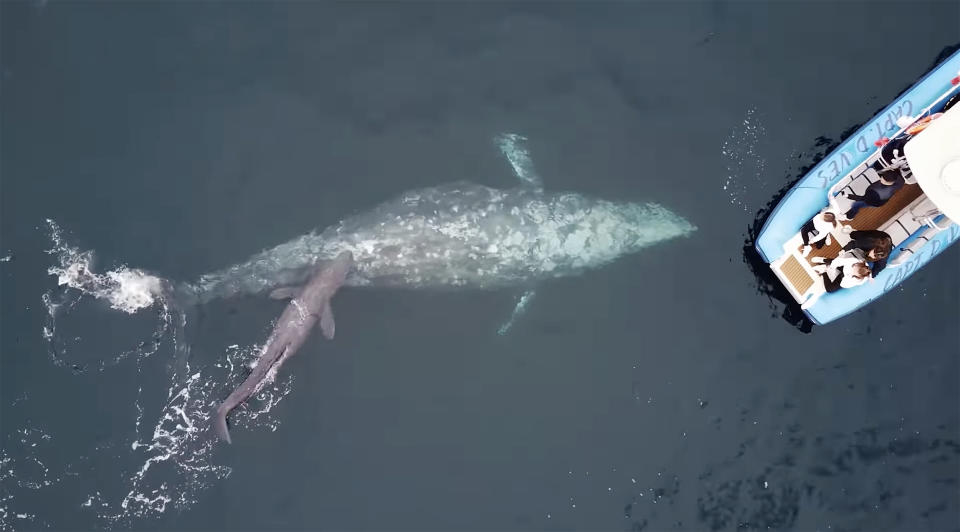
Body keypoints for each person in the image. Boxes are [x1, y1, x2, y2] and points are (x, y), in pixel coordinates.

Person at [814, 229, 892, 277]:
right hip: (875, 236)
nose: (871, 254)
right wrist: (843, 250)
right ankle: (852, 231)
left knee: (847, 262)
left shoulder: (883, 258)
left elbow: (879, 268)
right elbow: (854, 244)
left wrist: (870, 276)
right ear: (874, 247)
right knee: (860, 235)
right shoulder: (870, 241)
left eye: (874, 256)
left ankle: (825, 262)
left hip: (879, 243)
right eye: (873, 252)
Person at [840, 168, 905, 220]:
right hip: (882, 200)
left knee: (856, 204)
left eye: (882, 178)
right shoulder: (900, 181)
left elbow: (862, 198)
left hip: (874, 200)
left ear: (885, 181)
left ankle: (849, 217)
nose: (880, 178)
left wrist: (847, 195)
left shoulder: (874, 192)